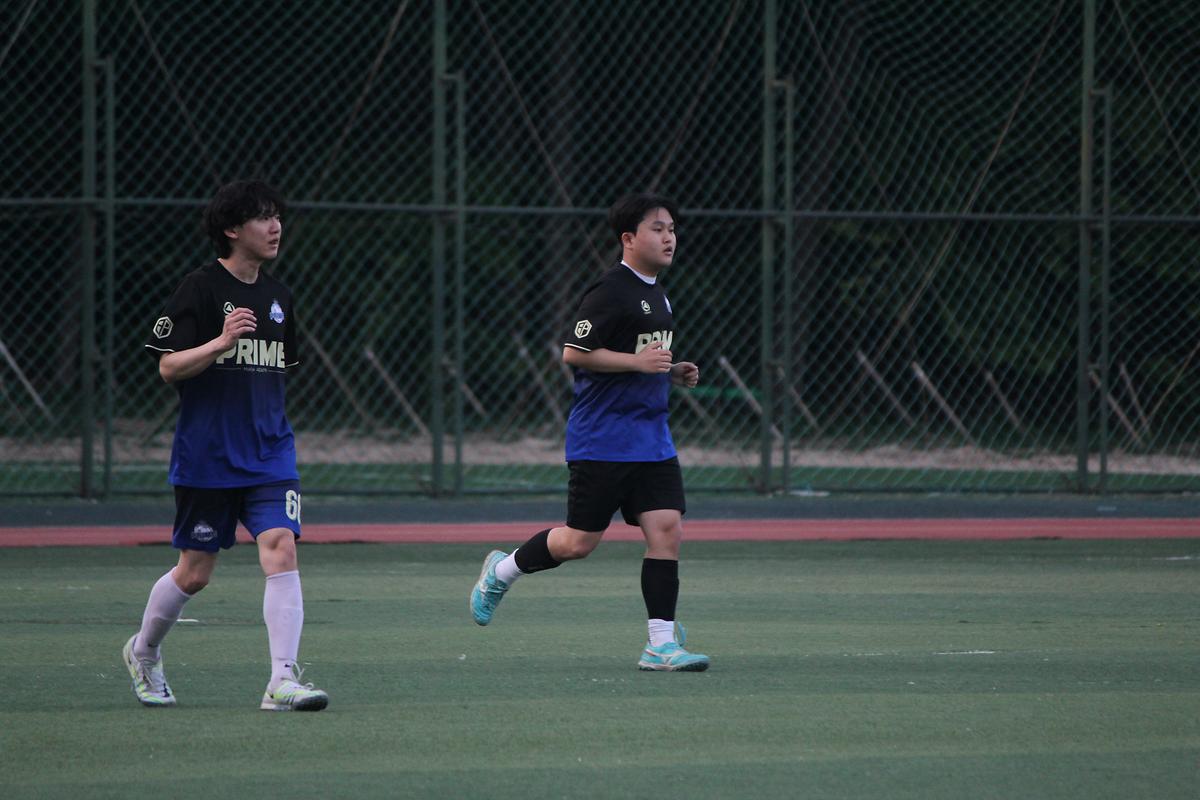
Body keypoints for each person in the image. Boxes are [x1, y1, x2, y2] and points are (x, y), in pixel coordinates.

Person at [470, 192, 709, 671]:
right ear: (629, 238)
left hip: (651, 437)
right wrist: (638, 363)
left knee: (667, 529)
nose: (669, 237)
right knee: (579, 542)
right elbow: (574, 353)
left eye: (672, 229)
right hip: (603, 438)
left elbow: (639, 357)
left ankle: (660, 645)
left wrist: (669, 371)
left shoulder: (658, 293)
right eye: (658, 229)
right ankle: (502, 571)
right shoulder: (610, 290)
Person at [123, 179, 328, 711]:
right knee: (195, 572)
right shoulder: (199, 288)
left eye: (277, 216)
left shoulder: (279, 298)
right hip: (208, 456)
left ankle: (281, 681)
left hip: (270, 453)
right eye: (262, 217)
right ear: (232, 229)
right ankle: (144, 651)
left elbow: (277, 373)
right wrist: (220, 342)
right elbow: (168, 367)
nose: (275, 226)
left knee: (281, 545)